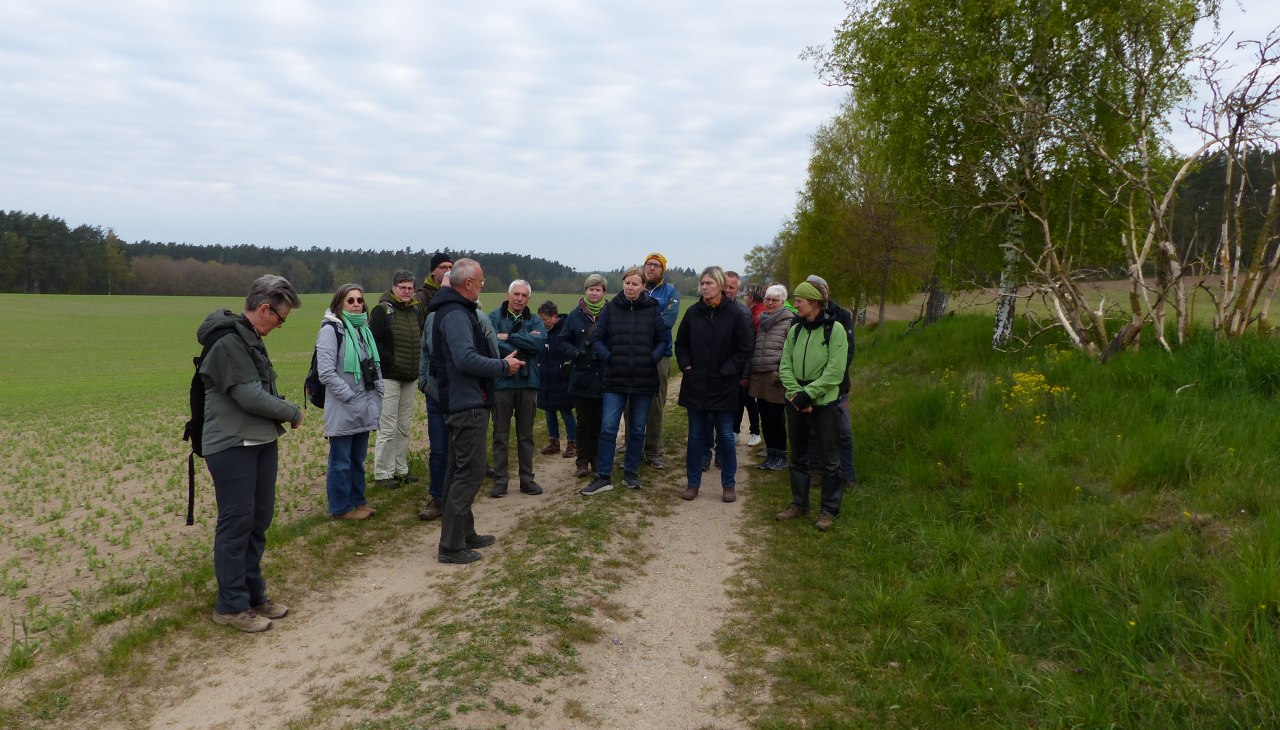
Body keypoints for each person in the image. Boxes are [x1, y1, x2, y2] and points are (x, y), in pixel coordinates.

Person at [197, 274, 303, 633]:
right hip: (231, 444)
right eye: (280, 317)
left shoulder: (249, 338)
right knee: (236, 524)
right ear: (263, 308)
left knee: (258, 521)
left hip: (258, 441)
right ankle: (230, 605)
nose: (280, 325)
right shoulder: (228, 342)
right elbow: (249, 396)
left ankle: (254, 596)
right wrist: (292, 411)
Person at [428, 258, 523, 563]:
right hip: (466, 403)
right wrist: (502, 366)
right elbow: (465, 359)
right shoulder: (456, 314)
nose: (483, 286)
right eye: (481, 281)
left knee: (459, 472)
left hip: (465, 401)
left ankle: (464, 534)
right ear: (467, 283)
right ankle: (451, 547)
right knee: (468, 475)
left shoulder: (457, 310)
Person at [581, 267, 670, 495]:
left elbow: (663, 339)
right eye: (627, 283)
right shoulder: (611, 309)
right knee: (609, 428)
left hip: (643, 378)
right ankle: (604, 476)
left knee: (638, 429)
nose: (630, 287)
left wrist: (651, 358)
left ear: (643, 287)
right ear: (623, 284)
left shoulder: (652, 310)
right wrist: (609, 357)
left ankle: (630, 472)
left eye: (635, 284)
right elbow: (598, 338)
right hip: (615, 379)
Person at [675, 266, 754, 503]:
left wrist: (728, 370)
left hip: (724, 385)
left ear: (720, 285)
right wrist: (687, 366)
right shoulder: (692, 313)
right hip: (696, 384)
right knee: (696, 436)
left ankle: (728, 484)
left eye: (709, 283)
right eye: (703, 283)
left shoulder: (735, 315)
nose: (705, 287)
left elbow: (744, 348)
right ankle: (692, 483)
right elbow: (681, 344)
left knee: (727, 437)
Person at [777, 281, 850, 531]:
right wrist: (797, 395)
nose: (794, 304)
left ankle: (828, 510)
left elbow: (835, 371)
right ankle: (799, 504)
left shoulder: (835, 329)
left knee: (830, 459)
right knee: (797, 456)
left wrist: (808, 395)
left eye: (799, 300)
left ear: (814, 302)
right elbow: (784, 365)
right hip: (796, 401)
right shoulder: (795, 329)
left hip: (825, 403)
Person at [317, 284, 384, 521]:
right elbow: (325, 372)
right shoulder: (330, 330)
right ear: (339, 304)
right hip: (343, 406)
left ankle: (359, 502)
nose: (356, 304)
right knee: (341, 461)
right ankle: (341, 508)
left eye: (359, 300)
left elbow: (373, 365)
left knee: (357, 459)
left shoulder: (362, 329)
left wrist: (378, 389)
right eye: (350, 301)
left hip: (364, 406)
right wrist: (348, 395)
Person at [488, 280, 547, 498]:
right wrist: (525, 342)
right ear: (508, 294)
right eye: (516, 294)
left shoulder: (534, 320)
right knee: (500, 434)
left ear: (529, 299)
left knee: (526, 434)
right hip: (502, 382)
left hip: (528, 382)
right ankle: (501, 480)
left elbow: (539, 344)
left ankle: (527, 479)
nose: (519, 298)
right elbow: (492, 343)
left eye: (524, 295)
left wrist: (510, 337)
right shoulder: (493, 317)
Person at [370, 270, 425, 488]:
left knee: (404, 426)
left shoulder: (416, 310)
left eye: (410, 288)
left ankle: (401, 470)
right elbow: (373, 341)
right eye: (402, 287)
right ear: (393, 288)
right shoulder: (382, 311)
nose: (406, 291)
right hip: (390, 377)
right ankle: (383, 474)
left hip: (410, 377)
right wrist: (391, 361)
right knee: (387, 427)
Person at [805, 274, 857, 489]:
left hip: (837, 385)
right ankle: (817, 471)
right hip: (810, 385)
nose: (821, 293)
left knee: (843, 431)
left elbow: (849, 350)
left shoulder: (841, 316)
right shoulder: (803, 319)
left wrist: (833, 375)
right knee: (813, 432)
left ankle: (848, 475)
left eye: (822, 289)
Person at [558, 274, 608, 479]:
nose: (594, 293)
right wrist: (575, 353)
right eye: (591, 289)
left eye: (598, 289)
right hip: (581, 376)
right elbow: (563, 341)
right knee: (584, 421)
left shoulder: (611, 314)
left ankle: (596, 458)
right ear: (585, 291)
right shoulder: (574, 315)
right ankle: (581, 461)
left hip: (604, 375)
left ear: (604, 292)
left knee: (599, 420)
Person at [416, 273, 456, 521]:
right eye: (442, 288)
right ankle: (438, 497)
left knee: (460, 449)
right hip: (435, 393)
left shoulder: (473, 316)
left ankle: (458, 497)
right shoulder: (431, 318)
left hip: (462, 395)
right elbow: (424, 351)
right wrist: (423, 381)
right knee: (439, 449)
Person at [639, 252, 681, 469]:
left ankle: (654, 450)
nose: (651, 268)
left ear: (662, 269)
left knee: (656, 403)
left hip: (660, 354)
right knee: (631, 403)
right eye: (648, 264)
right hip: (634, 354)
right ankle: (632, 447)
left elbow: (668, 320)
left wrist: (640, 326)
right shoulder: (636, 286)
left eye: (656, 265)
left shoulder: (670, 291)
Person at [749, 284, 795, 470]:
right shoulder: (764, 320)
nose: (770, 302)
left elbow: (790, 352)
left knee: (776, 419)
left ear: (782, 302)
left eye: (775, 300)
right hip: (760, 376)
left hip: (776, 377)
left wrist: (780, 374)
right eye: (768, 299)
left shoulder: (789, 321)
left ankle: (781, 456)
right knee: (765, 418)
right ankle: (770, 454)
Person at [535, 301, 577, 459]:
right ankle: (554, 442)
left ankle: (573, 443)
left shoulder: (564, 331)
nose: (543, 323)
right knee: (549, 411)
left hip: (562, 380)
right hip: (545, 380)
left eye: (545, 320)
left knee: (566, 412)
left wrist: (563, 370)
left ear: (555, 317)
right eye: (541, 320)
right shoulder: (542, 332)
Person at [724, 271, 760, 447]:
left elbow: (748, 346)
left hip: (736, 370)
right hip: (713, 371)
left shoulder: (744, 312)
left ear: (737, 290)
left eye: (732, 287)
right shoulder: (705, 309)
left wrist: (745, 374)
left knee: (739, 403)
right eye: (725, 286)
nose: (728, 290)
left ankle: (737, 434)